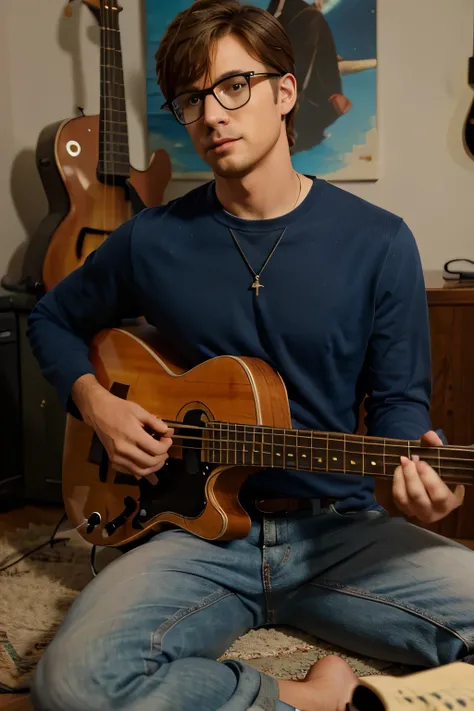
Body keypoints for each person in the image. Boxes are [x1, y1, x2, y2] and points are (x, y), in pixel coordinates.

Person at [27, 1, 473, 710]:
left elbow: (399, 406)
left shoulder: (381, 242)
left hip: (339, 528)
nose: (212, 114)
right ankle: (309, 697)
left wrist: (421, 483)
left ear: (285, 92)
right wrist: (99, 404)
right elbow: (50, 319)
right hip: (194, 535)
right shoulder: (153, 238)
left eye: (233, 86)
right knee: (73, 682)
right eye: (190, 98)